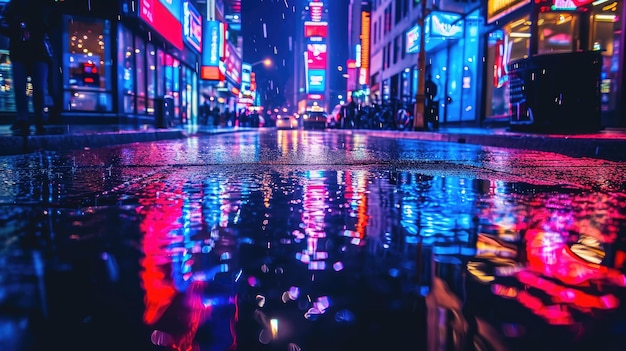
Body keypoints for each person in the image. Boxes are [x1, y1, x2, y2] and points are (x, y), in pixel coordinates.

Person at [2, 0, 56, 136]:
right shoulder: (15, 6)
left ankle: (30, 118)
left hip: (31, 50)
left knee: (33, 87)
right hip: (28, 50)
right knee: (30, 87)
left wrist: (17, 29)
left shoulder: (16, 6)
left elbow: (49, 21)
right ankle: (30, 118)